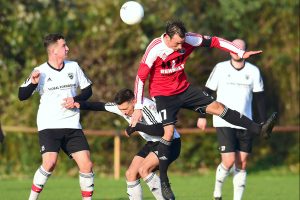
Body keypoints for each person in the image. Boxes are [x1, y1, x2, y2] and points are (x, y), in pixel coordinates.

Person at [131, 19, 277, 200]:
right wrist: (137, 106)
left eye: (182, 42)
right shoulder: (154, 49)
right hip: (163, 96)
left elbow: (215, 41)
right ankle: (164, 181)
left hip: (184, 89)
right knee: (167, 133)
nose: (180, 46)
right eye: (177, 43)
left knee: (218, 107)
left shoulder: (189, 39)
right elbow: (140, 78)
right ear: (167, 37)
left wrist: (239, 51)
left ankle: (259, 129)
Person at [18, 33, 94, 200]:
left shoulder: (73, 66)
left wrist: (75, 99)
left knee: (87, 164)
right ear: (53, 51)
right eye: (63, 46)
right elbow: (22, 95)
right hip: (49, 125)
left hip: (72, 125)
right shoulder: (40, 71)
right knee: (50, 163)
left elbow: (88, 91)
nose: (67, 48)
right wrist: (32, 83)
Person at [72, 88, 181, 200]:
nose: (124, 112)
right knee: (130, 174)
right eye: (121, 109)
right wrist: (78, 104)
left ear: (134, 102)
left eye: (126, 109)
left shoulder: (146, 106)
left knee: (144, 170)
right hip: (152, 143)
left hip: (169, 142)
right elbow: (100, 106)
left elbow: (161, 130)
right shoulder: (122, 108)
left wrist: (136, 127)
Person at [197, 39, 272, 200]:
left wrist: (263, 122)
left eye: (240, 48)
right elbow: (207, 92)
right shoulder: (220, 68)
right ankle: (217, 192)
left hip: (246, 122)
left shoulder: (253, 71)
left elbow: (259, 98)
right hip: (223, 121)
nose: (236, 50)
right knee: (229, 160)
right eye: (234, 48)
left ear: (246, 50)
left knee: (242, 163)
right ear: (229, 50)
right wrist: (202, 115)